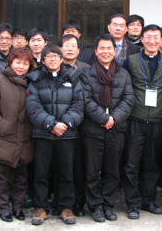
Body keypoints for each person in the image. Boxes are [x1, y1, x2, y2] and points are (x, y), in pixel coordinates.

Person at [26, 45, 84, 226]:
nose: (52, 59)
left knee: (66, 173)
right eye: (48, 57)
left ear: (61, 59)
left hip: (67, 135)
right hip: (43, 134)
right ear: (42, 61)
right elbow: (33, 107)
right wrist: (51, 124)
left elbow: (79, 105)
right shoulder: (35, 80)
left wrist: (65, 124)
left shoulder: (73, 78)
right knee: (41, 173)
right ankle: (40, 207)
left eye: (56, 56)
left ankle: (66, 207)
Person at [81, 34, 134, 223]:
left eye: (109, 48)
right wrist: (103, 119)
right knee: (92, 170)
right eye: (101, 48)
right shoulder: (87, 74)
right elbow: (85, 100)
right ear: (96, 51)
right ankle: (95, 205)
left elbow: (128, 100)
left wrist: (113, 119)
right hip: (92, 130)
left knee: (112, 170)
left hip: (116, 130)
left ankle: (108, 204)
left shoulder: (123, 73)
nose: (105, 51)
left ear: (115, 51)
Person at [122, 24, 162, 219]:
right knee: (131, 164)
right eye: (148, 37)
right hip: (135, 120)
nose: (152, 41)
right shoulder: (130, 61)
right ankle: (132, 203)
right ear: (141, 39)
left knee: (152, 165)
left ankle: (148, 201)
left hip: (157, 121)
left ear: (161, 40)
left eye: (156, 37)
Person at [0, 47, 35, 222]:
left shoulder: (32, 82)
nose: (21, 66)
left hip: (26, 137)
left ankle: (18, 207)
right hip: (4, 135)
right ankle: (3, 208)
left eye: (25, 63)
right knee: (2, 176)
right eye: (17, 62)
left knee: (22, 177)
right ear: (10, 62)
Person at [58, 33, 90, 217]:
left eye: (73, 46)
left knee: (79, 166)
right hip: (60, 125)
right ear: (60, 49)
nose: (69, 49)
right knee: (62, 167)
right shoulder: (53, 67)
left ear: (79, 50)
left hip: (82, 124)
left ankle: (78, 202)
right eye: (66, 45)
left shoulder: (86, 68)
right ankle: (61, 202)